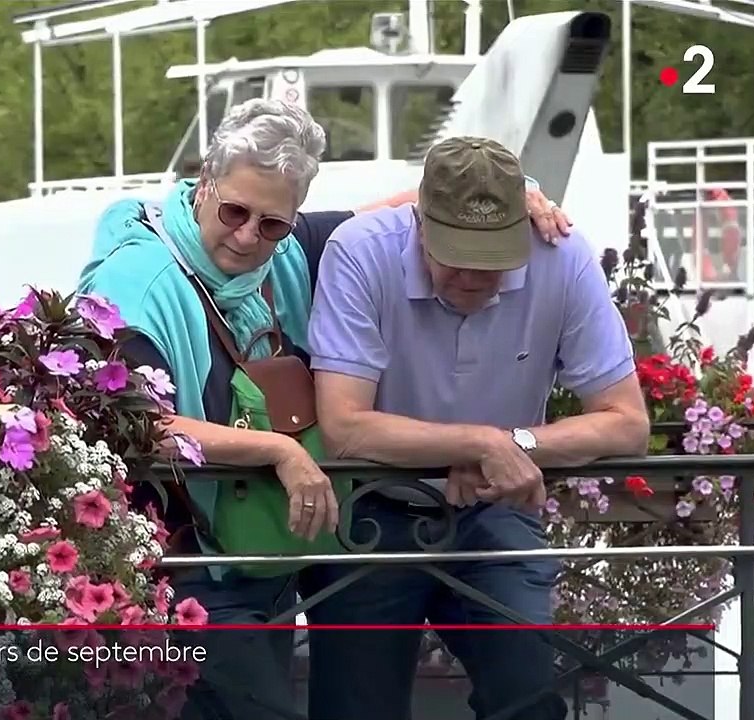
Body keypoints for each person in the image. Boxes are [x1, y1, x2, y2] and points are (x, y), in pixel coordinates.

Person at [76, 101, 570, 718]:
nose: (248, 236)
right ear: (203, 185)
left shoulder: (283, 251)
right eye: (234, 212)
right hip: (179, 556)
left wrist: (509, 197)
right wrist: (279, 450)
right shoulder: (138, 284)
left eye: (272, 224)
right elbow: (137, 428)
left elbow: (398, 211)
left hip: (267, 550)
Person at [303, 136, 651, 720]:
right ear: (418, 221)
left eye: (493, 257)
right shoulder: (361, 250)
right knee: (355, 709)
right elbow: (343, 429)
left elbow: (628, 423)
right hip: (370, 507)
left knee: (528, 700)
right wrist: (480, 442)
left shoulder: (562, 256)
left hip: (495, 508)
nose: (474, 275)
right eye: (456, 254)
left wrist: (513, 446)